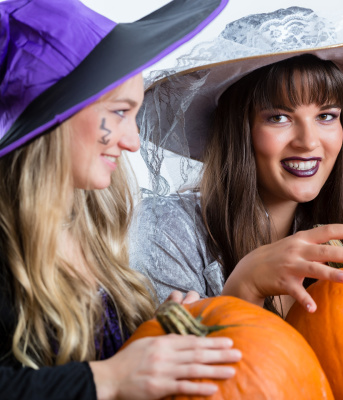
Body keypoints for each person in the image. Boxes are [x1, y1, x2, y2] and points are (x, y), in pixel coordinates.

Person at [0, 0, 243, 399]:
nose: (132, 142)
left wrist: (150, 334)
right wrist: (109, 379)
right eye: (118, 112)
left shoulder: (91, 220)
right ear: (55, 119)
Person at [129, 7, 343, 317]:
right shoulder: (168, 233)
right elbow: (169, 357)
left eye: (326, 116)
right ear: (239, 129)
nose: (309, 141)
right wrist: (244, 287)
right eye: (279, 117)